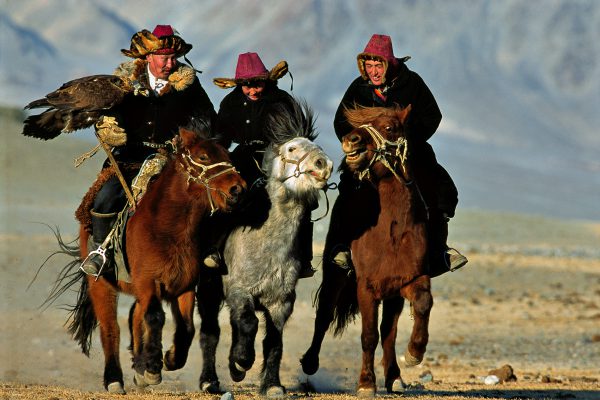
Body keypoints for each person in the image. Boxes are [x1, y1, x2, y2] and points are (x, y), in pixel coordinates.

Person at [80, 24, 217, 276]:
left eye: (173, 58)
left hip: (172, 159)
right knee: (106, 197)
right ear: (148, 57)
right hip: (129, 158)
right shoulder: (124, 82)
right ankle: (101, 251)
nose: (170, 63)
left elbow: (207, 119)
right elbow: (107, 116)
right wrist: (108, 128)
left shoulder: (189, 86)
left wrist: (188, 136)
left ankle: (207, 248)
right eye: (164, 58)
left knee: (203, 196)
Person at [331, 34, 467, 277]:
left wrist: (406, 140)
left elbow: (432, 116)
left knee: (440, 186)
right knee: (348, 185)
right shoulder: (358, 88)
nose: (373, 71)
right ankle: (343, 247)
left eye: (378, 65)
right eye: (368, 66)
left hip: (406, 151)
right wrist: (359, 143)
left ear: (389, 64)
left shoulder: (412, 83)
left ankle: (438, 251)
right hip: (370, 155)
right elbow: (341, 121)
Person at [210, 52, 316, 278]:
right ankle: (215, 249)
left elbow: (297, 136)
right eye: (247, 86)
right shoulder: (230, 102)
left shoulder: (281, 100)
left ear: (266, 80)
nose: (253, 90)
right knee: (225, 193)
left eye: (257, 84)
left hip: (278, 156)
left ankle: (304, 257)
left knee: (302, 197)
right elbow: (221, 135)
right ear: (239, 84)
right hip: (242, 156)